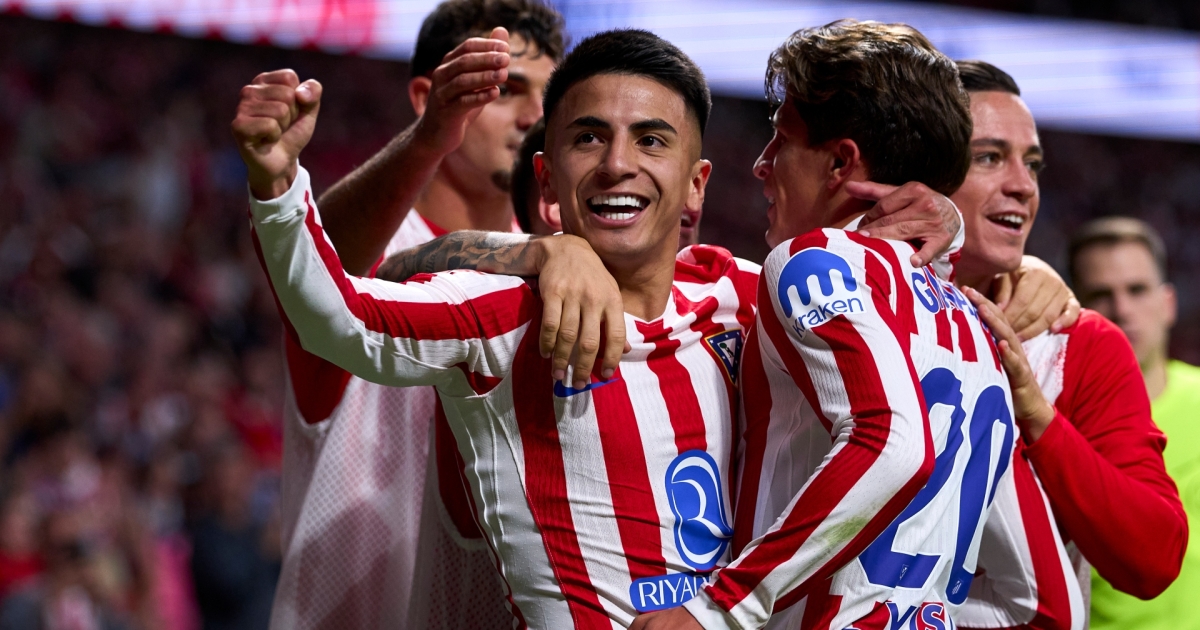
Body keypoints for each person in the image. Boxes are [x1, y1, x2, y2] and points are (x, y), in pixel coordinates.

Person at [625, 20, 1019, 630]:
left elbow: (893, 443)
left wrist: (724, 606)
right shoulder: (972, 323)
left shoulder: (812, 260)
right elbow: (1038, 598)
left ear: (840, 162)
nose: (761, 164)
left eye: (781, 139)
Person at [232, 1, 566, 628]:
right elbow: (320, 261)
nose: (534, 117)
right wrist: (432, 137)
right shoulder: (374, 249)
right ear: (426, 97)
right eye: (506, 90)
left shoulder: (558, 273)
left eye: (547, 99)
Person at [945, 61, 1187, 630]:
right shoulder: (850, 312)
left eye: (1031, 164)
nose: (1023, 185)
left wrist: (1037, 415)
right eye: (989, 157)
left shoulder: (1079, 344)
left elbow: (1153, 558)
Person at [1069, 217, 1200, 630]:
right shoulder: (1055, 427)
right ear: (1075, 310)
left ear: (1168, 303)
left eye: (1137, 290)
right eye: (1101, 294)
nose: (1122, 310)